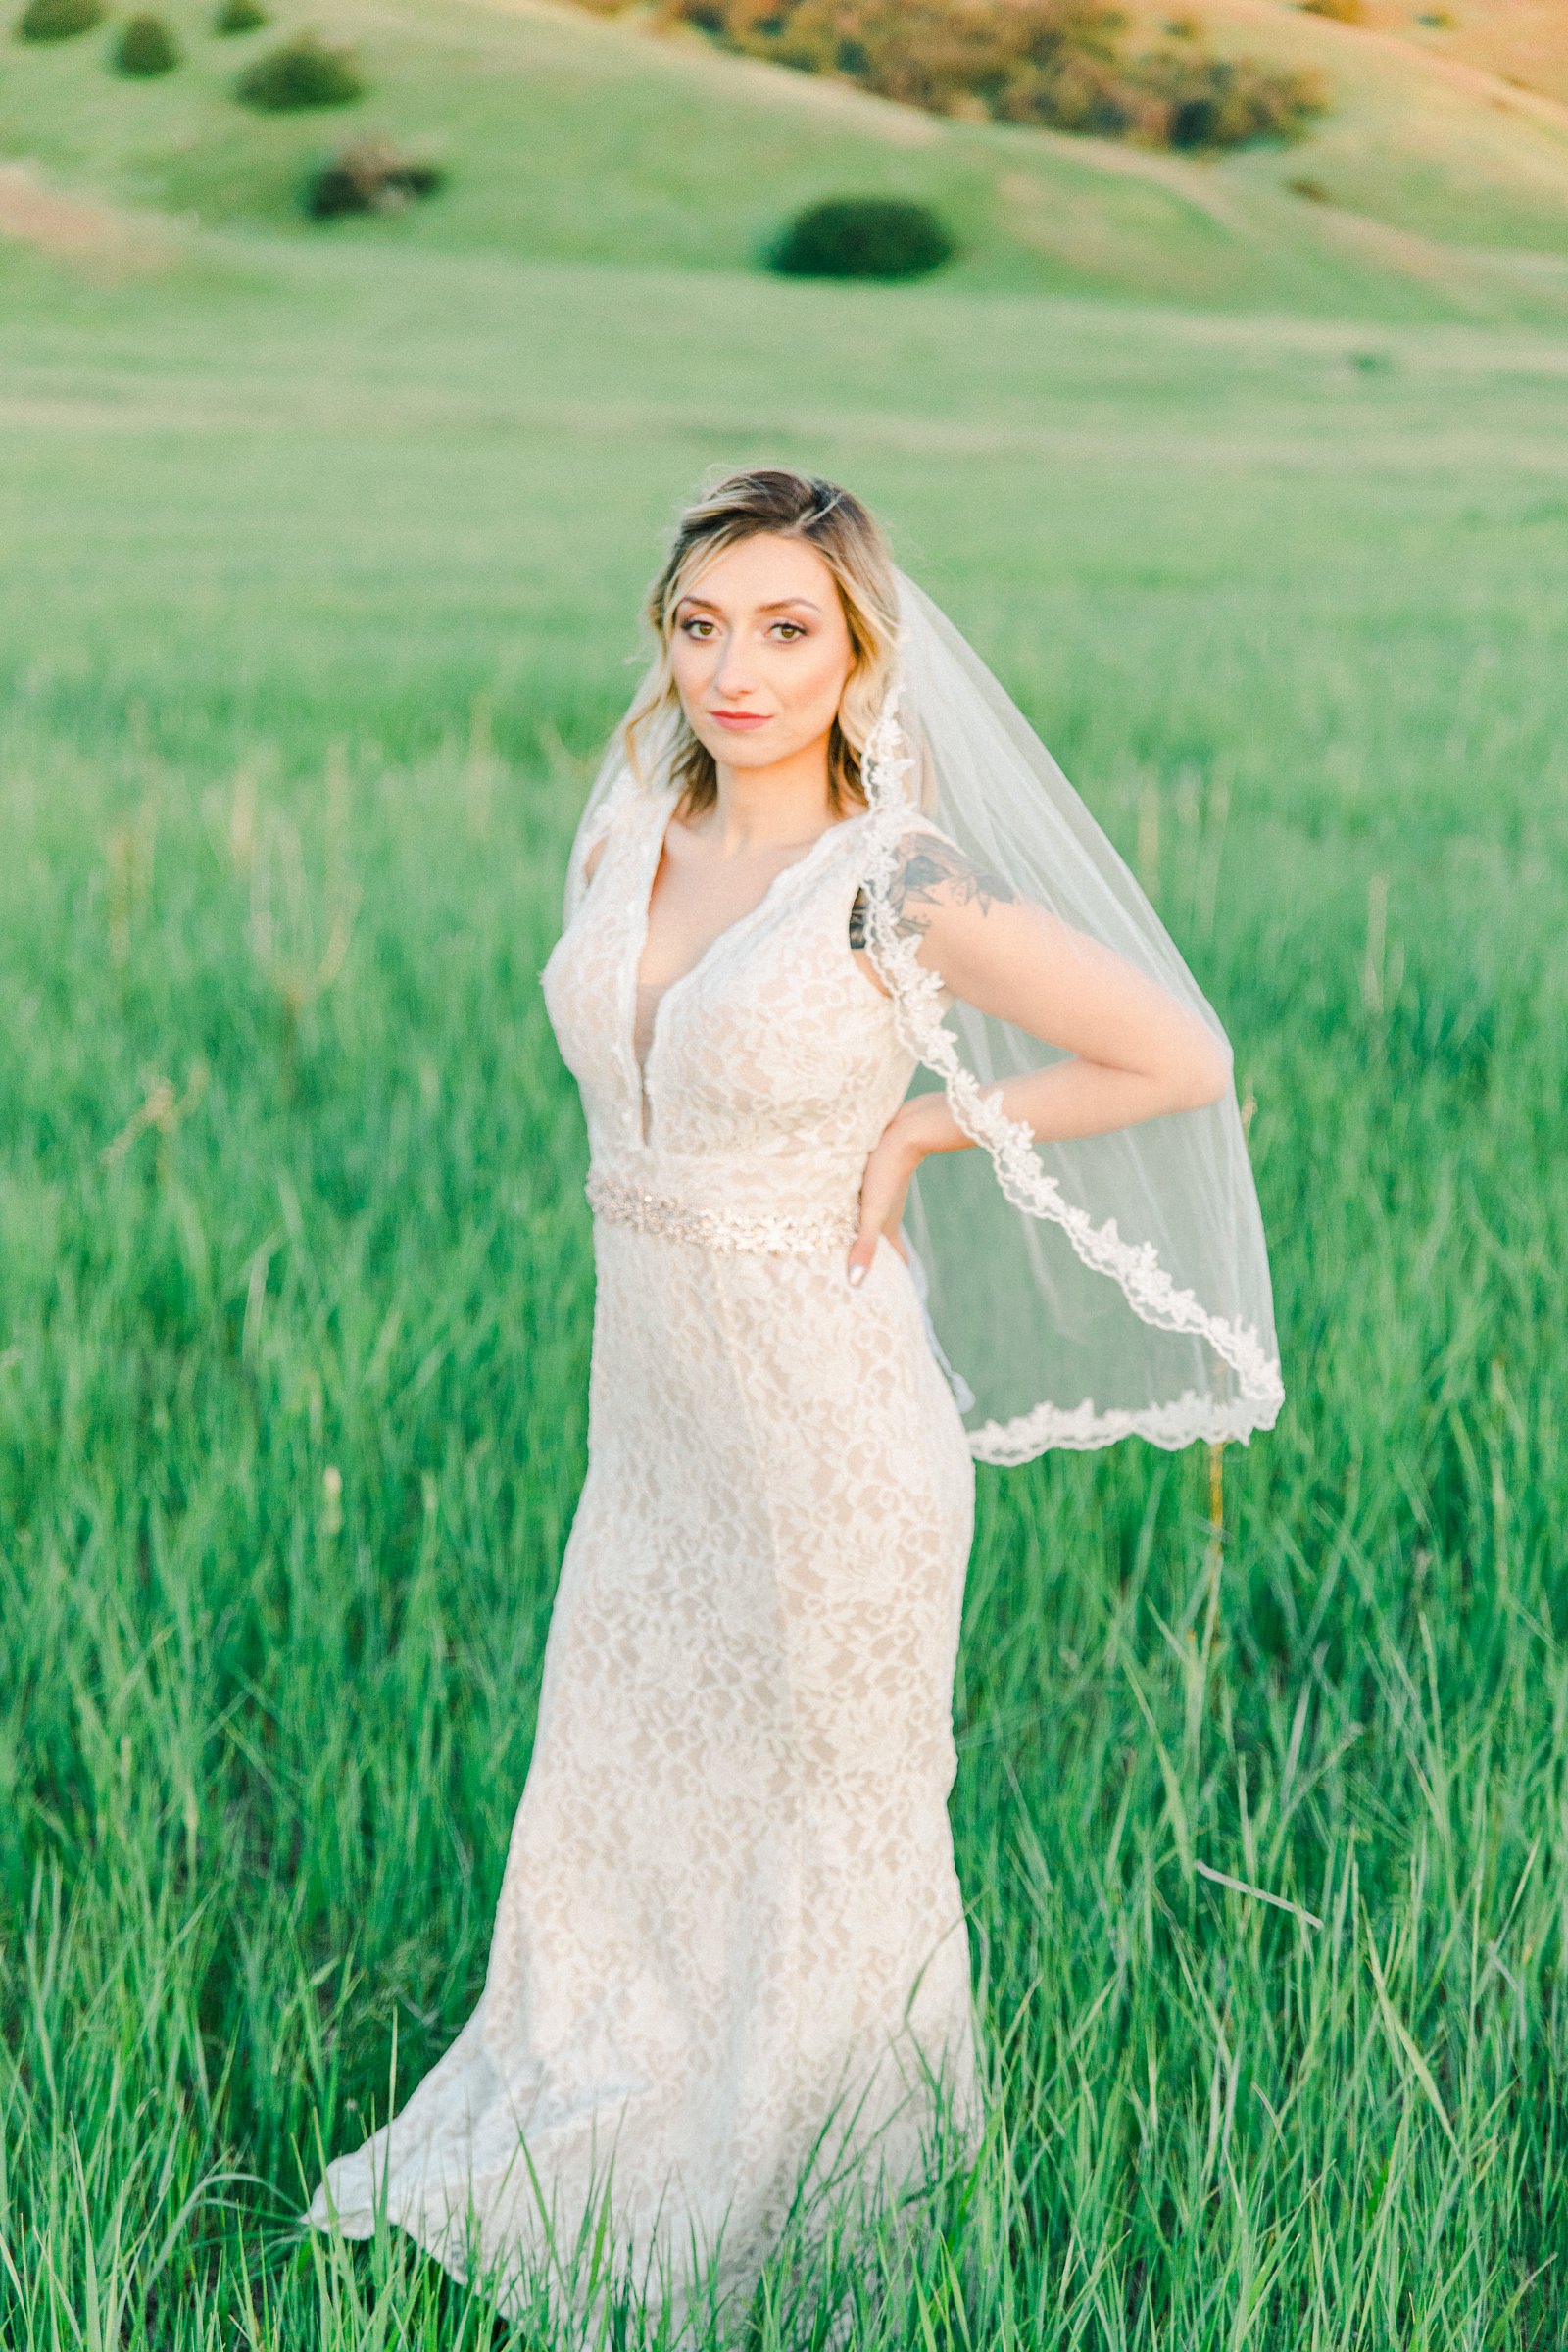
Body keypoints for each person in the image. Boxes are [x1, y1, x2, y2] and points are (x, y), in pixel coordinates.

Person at [305, 467, 1281, 2327]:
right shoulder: (626, 838)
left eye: (786, 631)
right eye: (700, 626)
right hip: (655, 1427)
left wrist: (927, 1120)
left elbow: (1178, 1048)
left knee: (832, 1804)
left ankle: (814, 2207)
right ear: (662, 640)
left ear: (857, 655)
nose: (736, 671)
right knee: (625, 1770)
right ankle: (611, 2134)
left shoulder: (889, 875)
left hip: (831, 1422)